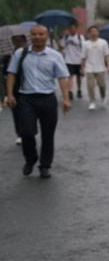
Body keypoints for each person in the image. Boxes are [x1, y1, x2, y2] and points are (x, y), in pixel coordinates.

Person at [5, 24, 72, 178]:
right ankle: (31, 159)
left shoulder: (55, 55)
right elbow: (11, 74)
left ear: (46, 36)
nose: (37, 37)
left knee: (48, 135)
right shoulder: (20, 53)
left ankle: (45, 166)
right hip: (26, 99)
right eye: (34, 34)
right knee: (26, 132)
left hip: (48, 99)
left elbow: (62, 77)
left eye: (41, 34)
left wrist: (66, 99)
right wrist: (9, 94)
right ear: (30, 36)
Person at [2, 33, 27, 144]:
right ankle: (19, 134)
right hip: (14, 89)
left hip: (28, 89)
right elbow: (5, 75)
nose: (17, 44)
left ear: (25, 42)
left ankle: (29, 132)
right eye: (15, 41)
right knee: (16, 113)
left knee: (28, 113)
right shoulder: (7, 57)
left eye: (20, 41)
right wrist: (7, 94)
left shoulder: (29, 55)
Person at [81, 25, 109, 110]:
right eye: (92, 31)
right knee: (90, 86)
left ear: (98, 33)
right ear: (89, 33)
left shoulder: (103, 42)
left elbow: (107, 55)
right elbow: (83, 57)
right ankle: (92, 101)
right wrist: (82, 68)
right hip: (89, 67)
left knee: (102, 85)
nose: (93, 33)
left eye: (95, 31)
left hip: (100, 67)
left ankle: (103, 97)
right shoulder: (85, 44)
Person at [59, 22, 85, 99]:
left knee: (78, 77)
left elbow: (84, 49)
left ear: (76, 29)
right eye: (70, 28)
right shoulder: (66, 37)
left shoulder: (80, 37)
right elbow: (61, 47)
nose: (71, 30)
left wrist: (83, 63)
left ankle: (79, 89)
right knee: (70, 76)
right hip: (68, 60)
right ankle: (70, 91)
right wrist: (59, 39)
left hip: (78, 61)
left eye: (73, 28)